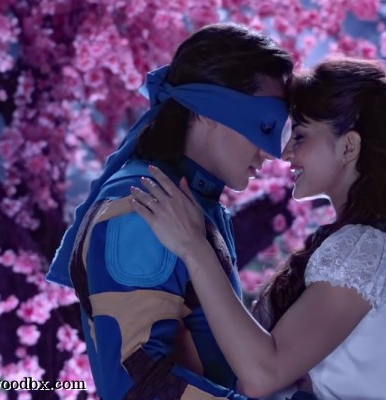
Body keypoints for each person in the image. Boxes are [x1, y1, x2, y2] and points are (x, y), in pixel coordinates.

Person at [129, 58, 386, 399]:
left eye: (299, 136)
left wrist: (195, 249)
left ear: (349, 147)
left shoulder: (365, 246)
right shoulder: (365, 241)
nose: (285, 153)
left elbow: (262, 375)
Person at [45, 23, 302, 399]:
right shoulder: (142, 206)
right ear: (209, 111)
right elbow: (139, 382)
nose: (271, 152)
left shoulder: (188, 200)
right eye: (264, 125)